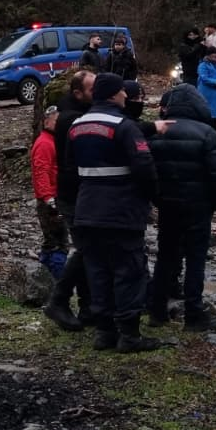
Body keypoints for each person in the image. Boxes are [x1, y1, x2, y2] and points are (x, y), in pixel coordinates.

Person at [69, 72, 165, 353]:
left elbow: (70, 168)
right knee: (129, 271)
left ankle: (104, 332)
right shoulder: (124, 126)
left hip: (87, 209)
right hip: (122, 212)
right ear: (113, 94)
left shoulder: (76, 126)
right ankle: (130, 335)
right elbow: (145, 168)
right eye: (123, 91)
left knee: (98, 272)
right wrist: (153, 199)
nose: (126, 95)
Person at [147, 85, 216, 330]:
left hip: (168, 205)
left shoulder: (157, 132)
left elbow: (150, 173)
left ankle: (157, 311)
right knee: (195, 259)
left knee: (166, 256)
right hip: (198, 206)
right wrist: (214, 204)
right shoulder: (206, 133)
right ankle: (193, 313)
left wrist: (158, 199)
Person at [44, 70, 96, 332]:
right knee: (86, 247)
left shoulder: (73, 111)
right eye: (91, 89)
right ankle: (59, 300)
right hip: (73, 192)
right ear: (78, 93)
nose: (96, 93)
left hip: (76, 191)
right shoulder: (72, 118)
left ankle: (88, 306)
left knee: (87, 248)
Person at [32, 105, 66, 279]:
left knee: (52, 241)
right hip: (50, 199)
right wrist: (49, 199)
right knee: (58, 243)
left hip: (54, 196)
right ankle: (56, 281)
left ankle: (42, 277)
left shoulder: (53, 141)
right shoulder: (45, 143)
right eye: (56, 121)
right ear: (46, 122)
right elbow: (41, 172)